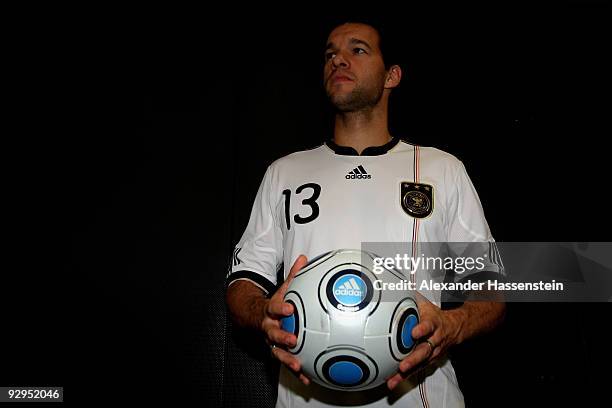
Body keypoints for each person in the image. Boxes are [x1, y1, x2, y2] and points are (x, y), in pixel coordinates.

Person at [225, 19, 505, 407]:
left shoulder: (442, 169)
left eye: (357, 50)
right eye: (330, 54)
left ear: (392, 75)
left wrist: (453, 324)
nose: (338, 60)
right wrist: (262, 315)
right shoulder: (284, 173)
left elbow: (492, 289)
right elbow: (244, 282)